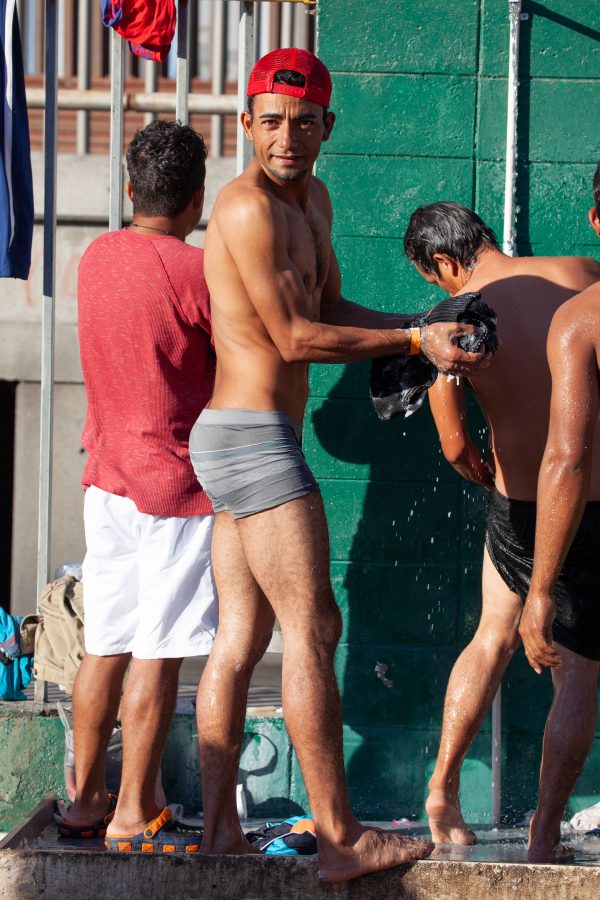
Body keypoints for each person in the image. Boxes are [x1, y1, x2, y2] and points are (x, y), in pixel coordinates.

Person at [189, 49, 490, 883]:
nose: (288, 137)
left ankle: (219, 833)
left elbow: (328, 310)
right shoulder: (245, 210)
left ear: (328, 126)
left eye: (305, 121)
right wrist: (410, 342)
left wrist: (421, 322)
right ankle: (340, 839)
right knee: (314, 627)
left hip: (241, 436)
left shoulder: (313, 200)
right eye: (272, 121)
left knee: (242, 637)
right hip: (251, 436)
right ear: (246, 122)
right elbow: (294, 338)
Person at [403, 200, 600, 848]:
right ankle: (543, 832)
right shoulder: (580, 273)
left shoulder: (451, 320)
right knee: (577, 672)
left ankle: (440, 790)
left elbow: (455, 445)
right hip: (589, 508)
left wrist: (497, 472)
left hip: (517, 509)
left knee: (491, 637)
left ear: (442, 263)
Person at [57, 120, 217, 853]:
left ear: (129, 189)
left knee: (106, 646)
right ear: (196, 197)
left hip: (107, 480)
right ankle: (132, 814)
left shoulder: (95, 257)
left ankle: (85, 802)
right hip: (175, 487)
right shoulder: (195, 271)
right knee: (159, 653)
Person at [519, 161, 600, 863]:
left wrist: (540, 587)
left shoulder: (582, 320)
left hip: (596, 523)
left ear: (598, 223)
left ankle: (544, 837)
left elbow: (566, 459)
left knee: (577, 674)